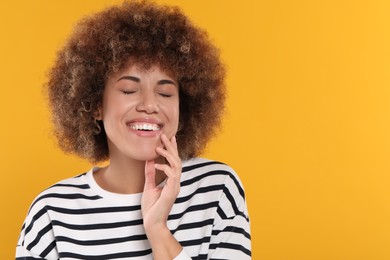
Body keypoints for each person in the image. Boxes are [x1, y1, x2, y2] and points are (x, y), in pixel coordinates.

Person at [16, 1, 251, 259]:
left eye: (165, 92)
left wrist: (158, 230)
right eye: (129, 89)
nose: (150, 105)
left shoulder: (215, 189)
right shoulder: (52, 214)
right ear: (95, 104)